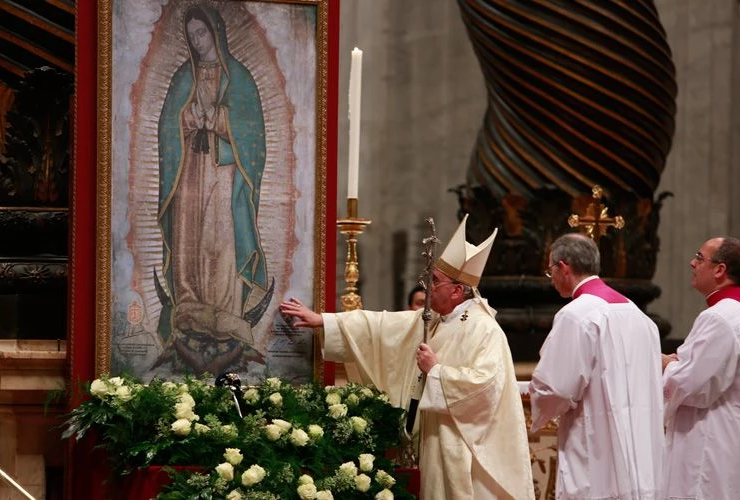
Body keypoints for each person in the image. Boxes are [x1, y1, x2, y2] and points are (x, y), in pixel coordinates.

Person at [279, 215, 534, 499]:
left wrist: (436, 372)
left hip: (464, 448)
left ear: (457, 290)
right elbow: (383, 327)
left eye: (434, 281)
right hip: (437, 440)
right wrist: (324, 321)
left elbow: (485, 388)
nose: (427, 286)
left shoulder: (485, 329)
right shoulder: (438, 319)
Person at [154, 5, 271, 372]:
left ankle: (224, 312)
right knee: (189, 237)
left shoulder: (239, 78)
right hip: (190, 171)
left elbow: (253, 135)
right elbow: (166, 128)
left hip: (223, 174)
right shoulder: (181, 78)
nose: (197, 41)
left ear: (215, 33)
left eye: (201, 33)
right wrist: (188, 118)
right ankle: (189, 308)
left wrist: (220, 120)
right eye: (191, 36)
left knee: (221, 239)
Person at [529, 233, 664, 499]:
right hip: (641, 448)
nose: (552, 278)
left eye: (550, 271)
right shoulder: (640, 316)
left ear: (563, 267)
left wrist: (540, 402)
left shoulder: (575, 315)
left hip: (595, 446)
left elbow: (556, 388)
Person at [661, 237, 740, 499]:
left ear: (720, 270)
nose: (692, 263)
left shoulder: (719, 318)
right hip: (739, 436)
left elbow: (693, 386)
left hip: (711, 442)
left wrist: (666, 366)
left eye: (700, 258)